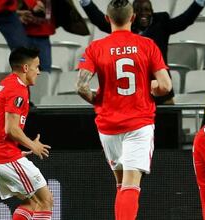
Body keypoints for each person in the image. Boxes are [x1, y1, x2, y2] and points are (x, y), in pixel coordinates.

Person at [76, 0, 172, 219]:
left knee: (121, 183)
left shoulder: (96, 48)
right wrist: (151, 88)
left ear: (108, 19)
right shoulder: (147, 45)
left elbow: (80, 86)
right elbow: (165, 86)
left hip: (108, 126)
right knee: (131, 184)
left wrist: (98, 100)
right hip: (138, 124)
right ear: (133, 17)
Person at [79, 0, 205, 104]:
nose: (143, 13)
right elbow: (100, 21)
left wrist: (199, 2)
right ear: (132, 15)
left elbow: (184, 20)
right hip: (134, 94)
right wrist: (85, 2)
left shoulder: (161, 23)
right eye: (138, 10)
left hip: (161, 93)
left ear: (152, 11)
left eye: (147, 9)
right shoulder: (124, 26)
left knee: (168, 132)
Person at [0, 47, 53, 220]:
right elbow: (11, 129)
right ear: (26, 68)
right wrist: (33, 145)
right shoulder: (17, 88)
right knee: (46, 201)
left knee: (31, 203)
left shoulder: (6, 83)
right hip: (3, 156)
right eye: (37, 67)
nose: (39, 71)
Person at [18, 0, 89, 72]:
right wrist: (32, 5)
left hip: (43, 36)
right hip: (25, 34)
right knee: (24, 69)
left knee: (44, 69)